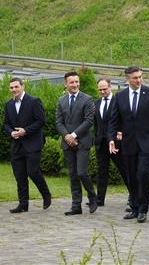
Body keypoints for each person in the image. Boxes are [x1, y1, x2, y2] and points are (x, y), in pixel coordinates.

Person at [108, 66, 149, 223]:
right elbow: (114, 120)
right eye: (135, 78)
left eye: (140, 77)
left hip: (147, 143)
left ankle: (143, 209)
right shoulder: (120, 96)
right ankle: (133, 207)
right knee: (131, 176)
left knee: (143, 174)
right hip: (128, 143)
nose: (138, 80)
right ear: (127, 79)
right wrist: (111, 138)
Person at [4, 77, 51, 213]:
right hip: (16, 145)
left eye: (16, 87)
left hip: (32, 144)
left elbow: (41, 121)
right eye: (11, 87)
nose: (14, 90)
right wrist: (11, 132)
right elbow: (6, 123)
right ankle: (23, 204)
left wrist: (25, 131)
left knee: (33, 172)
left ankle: (46, 194)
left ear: (22, 86)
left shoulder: (34, 101)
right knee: (19, 175)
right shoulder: (8, 104)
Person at [56, 71, 98, 215]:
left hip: (82, 142)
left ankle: (92, 197)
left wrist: (73, 135)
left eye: (77, 82)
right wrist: (67, 136)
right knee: (73, 175)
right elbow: (58, 122)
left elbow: (89, 120)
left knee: (81, 173)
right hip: (67, 143)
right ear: (66, 84)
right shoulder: (61, 100)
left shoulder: (87, 99)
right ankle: (76, 206)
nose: (75, 84)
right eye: (72, 82)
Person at [93, 78, 128, 206]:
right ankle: (99, 199)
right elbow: (97, 123)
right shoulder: (96, 103)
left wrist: (121, 132)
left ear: (110, 87)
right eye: (100, 90)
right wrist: (96, 138)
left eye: (105, 89)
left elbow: (124, 119)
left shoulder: (118, 102)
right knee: (102, 171)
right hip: (101, 143)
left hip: (116, 143)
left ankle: (133, 195)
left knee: (124, 169)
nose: (102, 92)